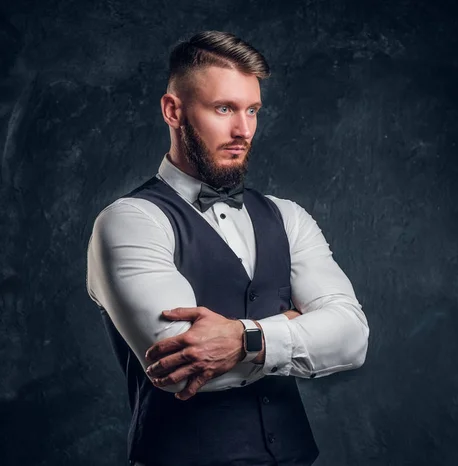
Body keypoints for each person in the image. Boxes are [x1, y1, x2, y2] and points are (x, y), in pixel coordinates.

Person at [86, 30, 370, 466]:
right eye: (224, 109)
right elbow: (179, 367)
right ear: (173, 111)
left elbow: (351, 338)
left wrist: (243, 337)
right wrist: (298, 323)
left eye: (252, 110)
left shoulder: (287, 216)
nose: (243, 130)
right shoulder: (130, 221)